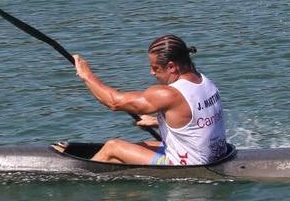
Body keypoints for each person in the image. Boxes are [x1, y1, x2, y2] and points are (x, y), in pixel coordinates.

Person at [70, 34, 228, 165]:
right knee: (140, 146)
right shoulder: (205, 81)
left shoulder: (169, 94)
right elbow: (197, 119)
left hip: (189, 166)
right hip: (216, 156)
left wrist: (87, 76)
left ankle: (77, 181)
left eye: (155, 68)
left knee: (113, 147)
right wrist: (157, 122)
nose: (152, 73)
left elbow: (114, 102)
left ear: (172, 66)